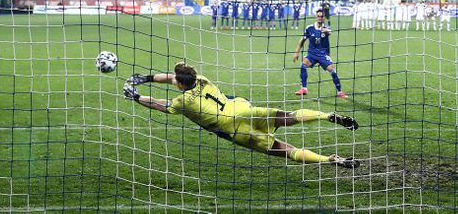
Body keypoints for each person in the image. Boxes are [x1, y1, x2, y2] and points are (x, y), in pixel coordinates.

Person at [123, 62, 359, 167]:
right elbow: (174, 76)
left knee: (286, 151)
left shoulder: (182, 101)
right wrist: (148, 78)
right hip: (244, 109)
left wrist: (136, 95)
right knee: (290, 116)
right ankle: (325, 115)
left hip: (235, 130)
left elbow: (158, 104)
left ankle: (329, 160)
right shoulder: (203, 79)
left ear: (180, 85)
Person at [293, 9, 346, 98]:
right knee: (303, 65)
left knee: (332, 71)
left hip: (323, 55)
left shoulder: (326, 28)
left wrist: (325, 31)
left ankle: (340, 92)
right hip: (312, 54)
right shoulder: (309, 28)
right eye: (318, 16)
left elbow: (329, 32)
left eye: (322, 16)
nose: (320, 18)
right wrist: (296, 53)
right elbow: (302, 41)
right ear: (316, 17)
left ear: (324, 17)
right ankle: (304, 88)